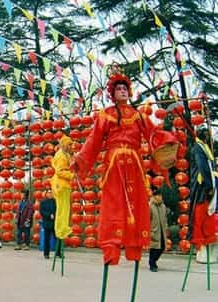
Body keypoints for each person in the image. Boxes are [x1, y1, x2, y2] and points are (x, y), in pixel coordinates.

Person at [71, 67, 167, 265]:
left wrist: (168, 142)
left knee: (137, 203)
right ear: (113, 94)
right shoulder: (105, 115)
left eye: (125, 88)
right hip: (114, 163)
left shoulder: (138, 115)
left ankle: (135, 247)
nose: (122, 91)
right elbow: (94, 141)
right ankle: (111, 250)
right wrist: (81, 159)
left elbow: (152, 134)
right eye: (118, 89)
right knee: (114, 204)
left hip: (135, 164)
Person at [187, 128, 217, 248]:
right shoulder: (198, 148)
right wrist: (209, 184)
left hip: (208, 182)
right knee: (200, 210)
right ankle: (200, 235)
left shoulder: (203, 147)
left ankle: (207, 234)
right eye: (207, 135)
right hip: (201, 184)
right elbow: (203, 167)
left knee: (209, 209)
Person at [51, 135, 74, 258]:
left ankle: (63, 229)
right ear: (64, 145)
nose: (71, 147)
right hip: (61, 185)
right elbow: (59, 171)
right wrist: (71, 175)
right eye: (69, 144)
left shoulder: (65, 155)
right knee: (62, 210)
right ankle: (61, 230)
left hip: (65, 185)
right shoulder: (60, 156)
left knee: (65, 209)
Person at [149, 189, 169, 272]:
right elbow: (147, 219)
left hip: (162, 230)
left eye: (161, 196)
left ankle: (154, 261)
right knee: (154, 248)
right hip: (154, 230)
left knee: (162, 247)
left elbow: (165, 218)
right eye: (158, 196)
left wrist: (166, 227)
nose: (160, 197)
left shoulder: (163, 206)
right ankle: (152, 264)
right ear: (154, 196)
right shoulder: (150, 206)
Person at [39, 190, 57, 259]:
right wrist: (49, 215)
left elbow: (58, 210)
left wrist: (54, 215)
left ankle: (58, 253)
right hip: (47, 223)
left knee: (57, 238)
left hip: (55, 223)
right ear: (46, 194)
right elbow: (41, 211)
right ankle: (46, 254)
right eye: (49, 193)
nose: (50, 194)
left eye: (51, 193)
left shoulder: (55, 201)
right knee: (47, 239)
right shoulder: (43, 202)